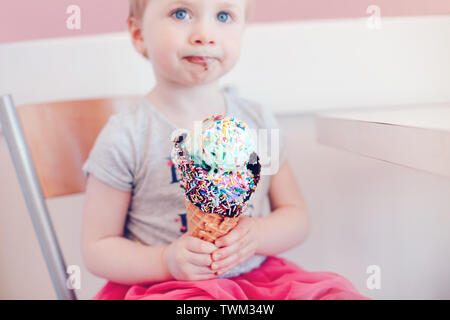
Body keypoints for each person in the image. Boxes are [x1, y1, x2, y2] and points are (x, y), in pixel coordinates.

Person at [81, 0, 368, 300]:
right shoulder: (126, 136)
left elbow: (296, 217)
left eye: (223, 15)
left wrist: (257, 236)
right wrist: (165, 260)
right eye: (180, 13)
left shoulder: (258, 122)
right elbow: (97, 248)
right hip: (168, 288)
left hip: (259, 280)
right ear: (138, 33)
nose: (205, 34)